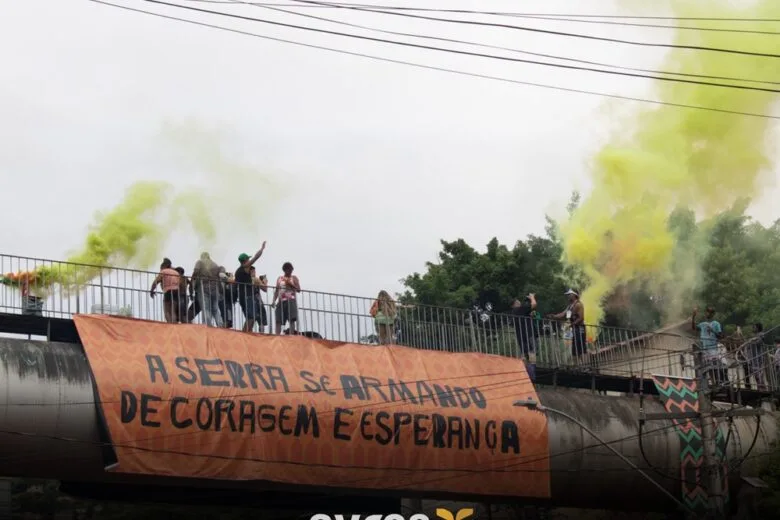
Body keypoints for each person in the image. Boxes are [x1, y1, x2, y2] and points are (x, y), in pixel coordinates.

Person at [547, 289, 587, 364]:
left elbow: (581, 317)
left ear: (574, 295)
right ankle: (577, 367)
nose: (568, 296)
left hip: (580, 328)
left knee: (581, 348)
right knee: (575, 348)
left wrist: (572, 324)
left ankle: (586, 366)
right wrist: (554, 316)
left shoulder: (579, 304)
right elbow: (563, 314)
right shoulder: (570, 306)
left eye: (569, 295)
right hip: (575, 328)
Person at [234, 243, 267, 332]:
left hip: (242, 297)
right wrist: (262, 249)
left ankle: (246, 334)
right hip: (248, 296)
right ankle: (245, 335)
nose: (249, 260)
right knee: (251, 317)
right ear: (245, 260)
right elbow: (256, 257)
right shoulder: (245, 267)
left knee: (250, 317)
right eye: (248, 259)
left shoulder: (237, 271)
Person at [691, 306, 724, 388]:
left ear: (713, 314)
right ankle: (713, 383)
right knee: (708, 368)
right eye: (706, 312)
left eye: (709, 312)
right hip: (704, 349)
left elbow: (720, 336)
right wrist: (693, 316)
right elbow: (694, 328)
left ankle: (718, 383)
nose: (707, 313)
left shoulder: (716, 324)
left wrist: (712, 330)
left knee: (714, 367)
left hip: (713, 349)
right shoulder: (703, 324)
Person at [511, 293, 538, 382]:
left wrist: (530, 315)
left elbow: (527, 315)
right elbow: (534, 304)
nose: (520, 304)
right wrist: (532, 297)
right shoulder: (518, 309)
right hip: (528, 335)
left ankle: (525, 375)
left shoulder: (515, 312)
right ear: (514, 304)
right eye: (518, 303)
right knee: (532, 353)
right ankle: (532, 375)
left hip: (521, 336)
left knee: (524, 354)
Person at [192, 252, 223, 328]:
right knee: (215, 308)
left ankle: (207, 324)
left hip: (203, 287)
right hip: (215, 287)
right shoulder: (215, 264)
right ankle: (220, 324)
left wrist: (192, 282)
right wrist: (221, 290)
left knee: (206, 308)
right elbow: (219, 278)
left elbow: (196, 272)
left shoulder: (200, 262)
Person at [149, 258, 181, 323]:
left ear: (163, 266)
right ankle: (174, 326)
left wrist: (152, 291)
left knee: (167, 311)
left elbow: (156, 282)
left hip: (168, 292)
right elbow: (180, 283)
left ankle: (170, 326)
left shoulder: (163, 271)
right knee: (173, 311)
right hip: (177, 292)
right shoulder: (176, 273)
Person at [272, 262, 300, 335]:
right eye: (289, 270)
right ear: (285, 270)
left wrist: (291, 285)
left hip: (291, 300)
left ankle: (291, 335)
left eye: (291, 270)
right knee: (278, 319)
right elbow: (277, 290)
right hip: (281, 300)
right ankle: (277, 335)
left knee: (291, 319)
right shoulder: (280, 278)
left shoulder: (294, 278)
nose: (290, 272)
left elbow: (299, 289)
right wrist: (273, 301)